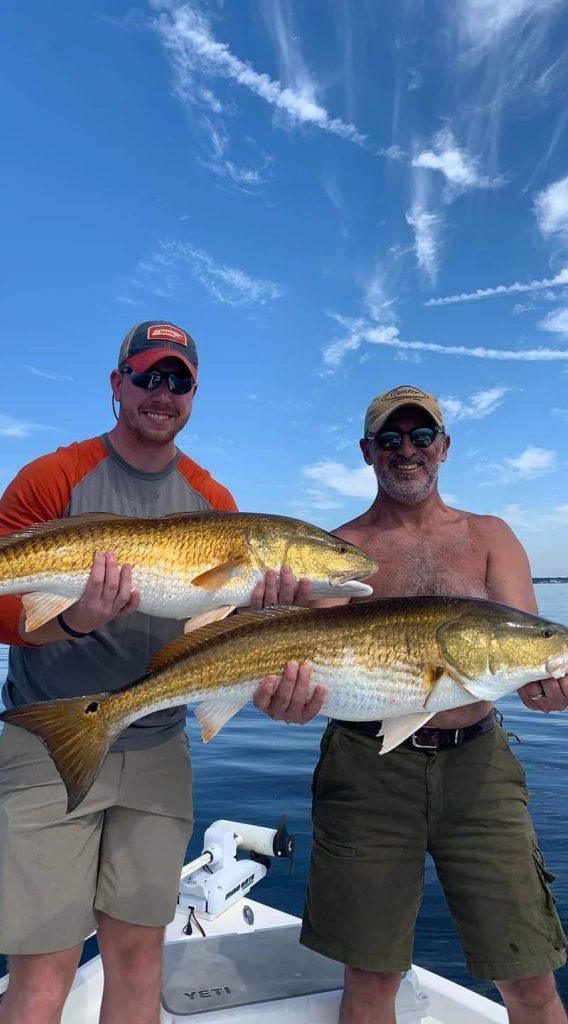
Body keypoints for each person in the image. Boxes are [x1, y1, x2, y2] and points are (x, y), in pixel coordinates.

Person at [0, 320, 312, 1024]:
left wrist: (265, 627)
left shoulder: (215, 502)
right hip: (46, 746)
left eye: (179, 380)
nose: (163, 393)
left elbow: (219, 638)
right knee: (42, 977)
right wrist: (72, 619)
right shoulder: (53, 477)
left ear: (194, 394)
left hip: (157, 747)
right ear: (116, 384)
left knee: (140, 961)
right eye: (149, 376)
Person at [254, 384, 568, 1024]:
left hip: (480, 771)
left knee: (530, 979)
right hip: (365, 771)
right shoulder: (336, 549)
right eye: (391, 439)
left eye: (421, 437)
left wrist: (552, 686)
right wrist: (284, 696)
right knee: (370, 981)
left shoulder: (490, 537)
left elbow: (530, 662)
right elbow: (310, 661)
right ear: (367, 452)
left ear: (444, 447)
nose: (407, 450)